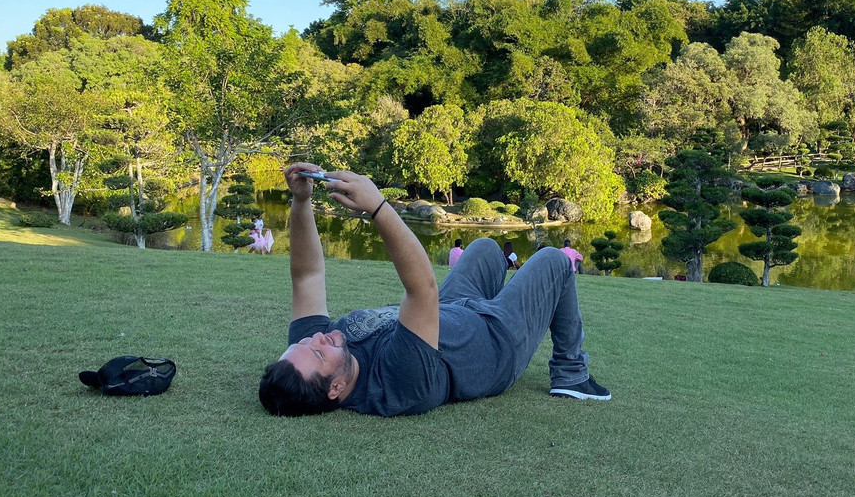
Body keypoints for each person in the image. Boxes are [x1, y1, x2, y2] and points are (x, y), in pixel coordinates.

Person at [258, 164, 610, 417]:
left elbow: (306, 276)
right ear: (334, 390)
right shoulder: (397, 382)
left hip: (455, 310)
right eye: (318, 353)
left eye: (305, 343)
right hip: (497, 342)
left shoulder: (314, 348)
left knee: (485, 248)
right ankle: (571, 374)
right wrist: (379, 206)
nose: (319, 338)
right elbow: (421, 288)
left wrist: (301, 201)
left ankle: (511, 305)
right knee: (553, 260)